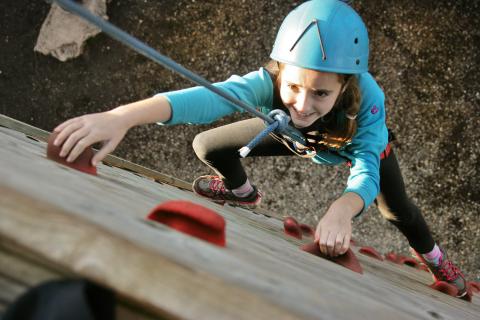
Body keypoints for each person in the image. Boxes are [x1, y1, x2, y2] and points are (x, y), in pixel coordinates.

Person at [53, 0, 467, 297]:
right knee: (209, 145)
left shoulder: (369, 101)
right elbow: (208, 97)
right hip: (293, 137)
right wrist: (122, 116)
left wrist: (342, 208)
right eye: (293, 87)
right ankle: (241, 192)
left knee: (396, 210)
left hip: (346, 147)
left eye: (321, 93)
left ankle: (433, 257)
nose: (303, 104)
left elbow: (365, 166)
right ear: (280, 72)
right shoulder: (270, 86)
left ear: (346, 86)